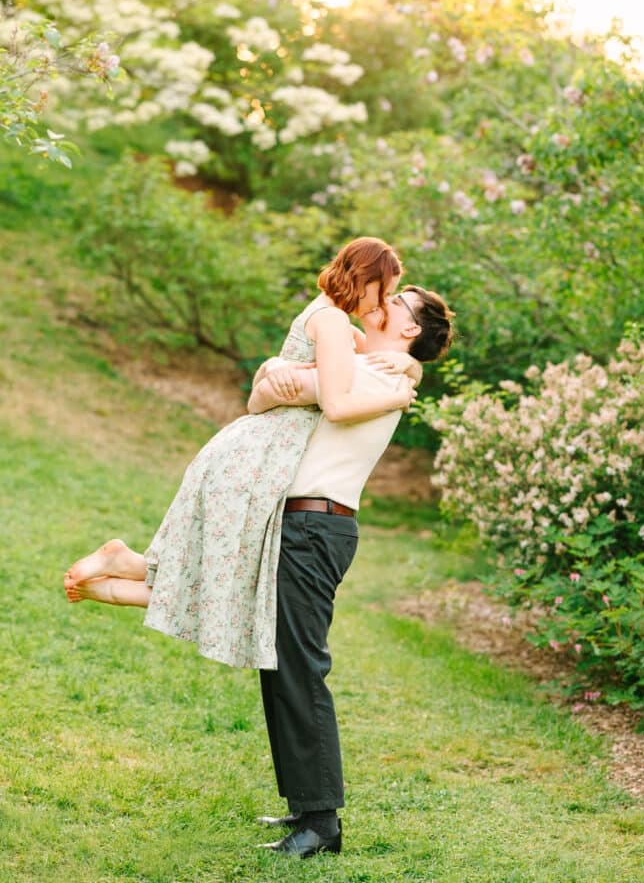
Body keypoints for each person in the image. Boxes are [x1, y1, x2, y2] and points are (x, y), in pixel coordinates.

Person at [64, 236, 413, 672]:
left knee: (220, 572)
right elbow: (337, 405)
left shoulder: (332, 319)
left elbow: (379, 358)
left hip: (258, 455)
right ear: (365, 280)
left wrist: (410, 366)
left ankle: (119, 569)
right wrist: (397, 398)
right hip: (257, 459)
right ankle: (122, 565)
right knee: (224, 573)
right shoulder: (332, 322)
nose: (381, 306)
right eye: (383, 293)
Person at [251, 285, 454, 858]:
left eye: (399, 298)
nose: (383, 298)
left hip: (316, 527)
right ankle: (306, 806)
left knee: (300, 668)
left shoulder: (379, 376)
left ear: (410, 329)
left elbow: (281, 384)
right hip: (305, 523)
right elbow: (274, 383)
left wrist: (278, 370)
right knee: (282, 666)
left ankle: (321, 824)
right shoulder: (380, 369)